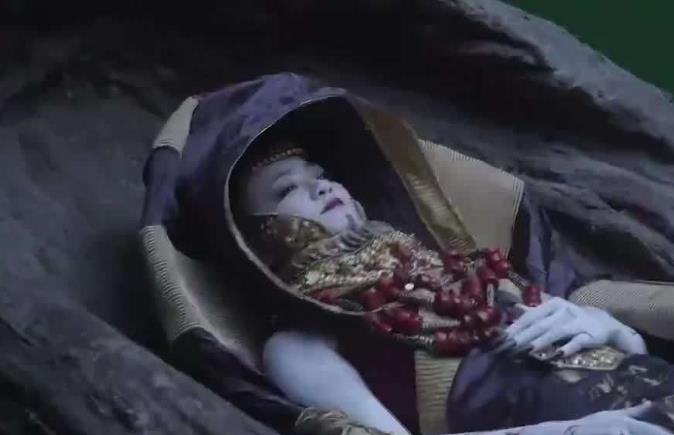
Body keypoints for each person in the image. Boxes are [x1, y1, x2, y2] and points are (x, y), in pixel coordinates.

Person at [147, 73, 674, 435]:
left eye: (321, 175)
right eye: (287, 190)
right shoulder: (298, 346)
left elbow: (615, 342)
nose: (323, 187)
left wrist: (613, 330)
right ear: (254, 239)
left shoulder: (469, 267)